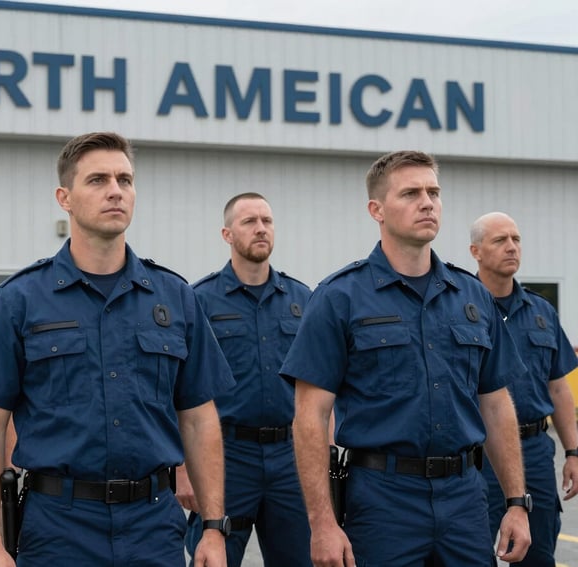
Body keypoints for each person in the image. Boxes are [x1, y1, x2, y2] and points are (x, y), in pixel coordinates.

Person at [0, 131, 235, 567]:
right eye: (98, 180)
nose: (116, 191)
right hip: (58, 528)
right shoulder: (19, 300)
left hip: (153, 525)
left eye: (125, 179)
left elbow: (198, 420)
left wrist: (213, 527)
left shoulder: (175, 297)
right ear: (64, 197)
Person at [279, 150, 532, 566]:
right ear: (376, 209)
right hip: (382, 501)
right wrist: (322, 523)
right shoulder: (339, 297)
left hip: (465, 499)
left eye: (433, 191)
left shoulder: (472, 297)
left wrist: (516, 502)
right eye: (411, 193)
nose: (427, 202)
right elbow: (310, 416)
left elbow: (496, 403)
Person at [179, 193, 312, 566]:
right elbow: (178, 390)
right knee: (215, 558)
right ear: (227, 234)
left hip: (290, 456)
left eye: (267, 221)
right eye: (249, 221)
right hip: (226, 456)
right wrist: (182, 469)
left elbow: (318, 387)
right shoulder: (199, 301)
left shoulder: (302, 299)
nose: (260, 229)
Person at [470, 211, 578, 566]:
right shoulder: (459, 308)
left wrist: (574, 452)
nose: (511, 247)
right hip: (474, 454)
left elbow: (559, 389)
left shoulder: (541, 312)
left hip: (533, 451)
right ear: (476, 252)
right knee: (469, 554)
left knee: (538, 553)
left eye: (516, 239)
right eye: (500, 240)